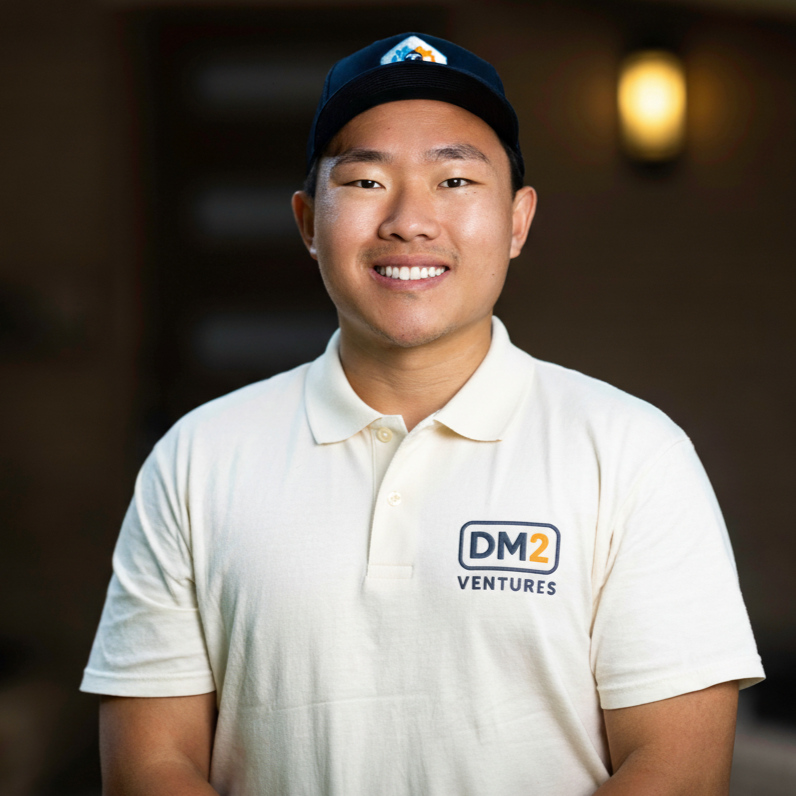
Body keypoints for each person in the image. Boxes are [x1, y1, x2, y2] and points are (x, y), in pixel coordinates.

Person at [82, 32, 764, 796]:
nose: (410, 220)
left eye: (455, 180)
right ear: (309, 221)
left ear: (517, 219)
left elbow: (678, 771)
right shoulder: (198, 457)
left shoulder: (632, 452)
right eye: (368, 181)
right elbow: (150, 764)